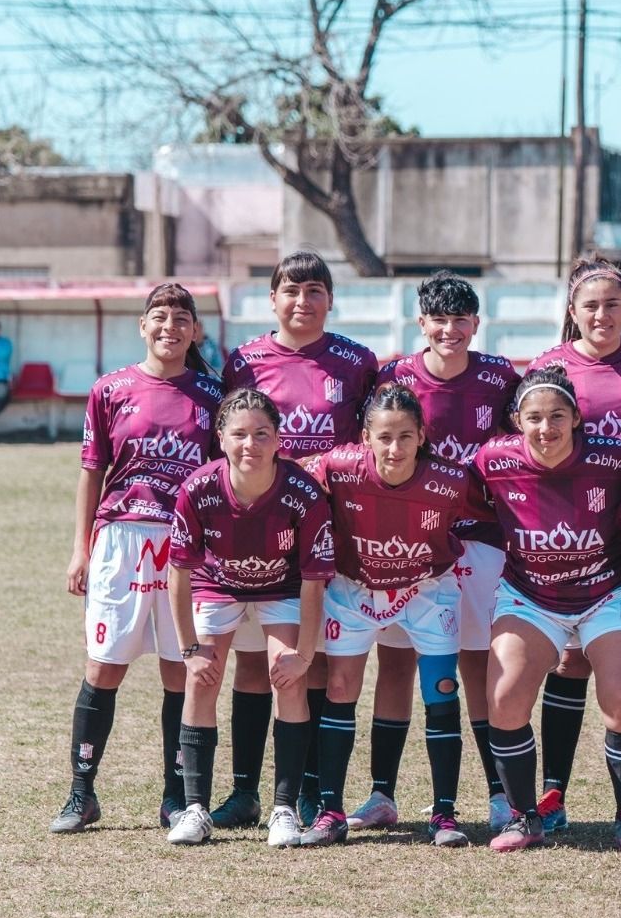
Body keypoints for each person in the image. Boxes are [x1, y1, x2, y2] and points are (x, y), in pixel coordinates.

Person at [343, 271, 521, 835]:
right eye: (438, 320)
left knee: (476, 663)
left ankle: (498, 794)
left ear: (475, 323)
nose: (449, 330)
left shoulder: (498, 376)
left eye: (460, 320)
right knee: (394, 661)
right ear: (421, 323)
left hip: (482, 539)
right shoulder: (394, 377)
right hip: (412, 540)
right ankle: (382, 795)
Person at [211, 251, 380, 833]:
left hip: (335, 530)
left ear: (330, 299)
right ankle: (244, 793)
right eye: (291, 289)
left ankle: (308, 793)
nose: (302, 301)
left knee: (317, 661)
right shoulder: (246, 361)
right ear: (273, 298)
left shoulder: (357, 361)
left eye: (314, 290)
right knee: (255, 664)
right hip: (260, 530)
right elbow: (228, 443)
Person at [48, 283, 223, 835]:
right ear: (142, 326)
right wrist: (81, 547)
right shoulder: (110, 389)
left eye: (181, 318)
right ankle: (81, 793)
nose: (169, 326)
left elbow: (224, 478)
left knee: (181, 671)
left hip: (183, 546)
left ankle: (176, 798)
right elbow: (91, 472)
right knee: (104, 667)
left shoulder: (215, 396)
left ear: (195, 330)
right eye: (158, 316)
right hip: (120, 542)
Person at [475, 366, 621, 854]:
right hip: (531, 596)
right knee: (506, 697)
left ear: (577, 417)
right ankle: (524, 816)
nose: (546, 428)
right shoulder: (492, 461)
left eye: (557, 415)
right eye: (533, 417)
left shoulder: (619, 458)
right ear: (516, 420)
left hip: (611, 591)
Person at [527, 255, 621, 838]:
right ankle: (552, 792)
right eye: (590, 305)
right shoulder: (549, 367)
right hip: (566, 535)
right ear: (572, 311)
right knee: (567, 660)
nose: (602, 315)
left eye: (612, 304)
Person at [302, 384, 490, 848]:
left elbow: (502, 507)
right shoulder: (338, 467)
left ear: (423, 436)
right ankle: (330, 810)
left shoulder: (451, 480)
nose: (395, 448)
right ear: (365, 437)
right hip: (355, 588)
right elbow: (287, 485)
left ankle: (444, 814)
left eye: (406, 436)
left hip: (428, 590)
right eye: (384, 437)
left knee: (441, 690)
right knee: (341, 686)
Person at [165, 387, 335, 847]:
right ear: (221, 438)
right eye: (239, 434)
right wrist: (189, 650)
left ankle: (284, 809)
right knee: (202, 678)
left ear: (279, 439)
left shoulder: (302, 492)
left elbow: (314, 582)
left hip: (281, 588)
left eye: (262, 434)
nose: (250, 445)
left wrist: (303, 654)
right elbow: (178, 572)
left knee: (288, 677)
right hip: (217, 587)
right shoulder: (198, 489)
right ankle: (196, 807)